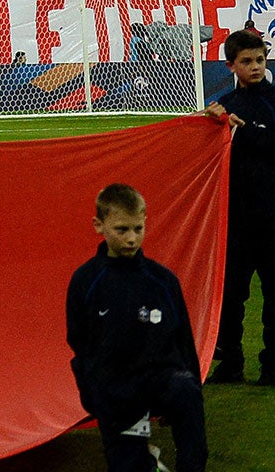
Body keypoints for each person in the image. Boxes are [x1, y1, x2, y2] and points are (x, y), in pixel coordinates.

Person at [65, 183, 207, 472]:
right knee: (128, 466)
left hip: (161, 380)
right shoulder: (86, 281)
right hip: (117, 390)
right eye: (122, 230)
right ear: (98, 226)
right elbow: (80, 342)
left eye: (138, 229)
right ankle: (147, 463)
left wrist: (191, 390)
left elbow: (183, 340)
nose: (132, 239)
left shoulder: (163, 281)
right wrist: (97, 394)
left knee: (186, 392)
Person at [205, 26, 275, 385]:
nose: (255, 66)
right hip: (236, 219)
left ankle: (274, 362)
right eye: (246, 61)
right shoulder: (224, 108)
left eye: (260, 60)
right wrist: (210, 126)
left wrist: (244, 132)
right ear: (230, 66)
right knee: (231, 294)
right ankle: (230, 361)